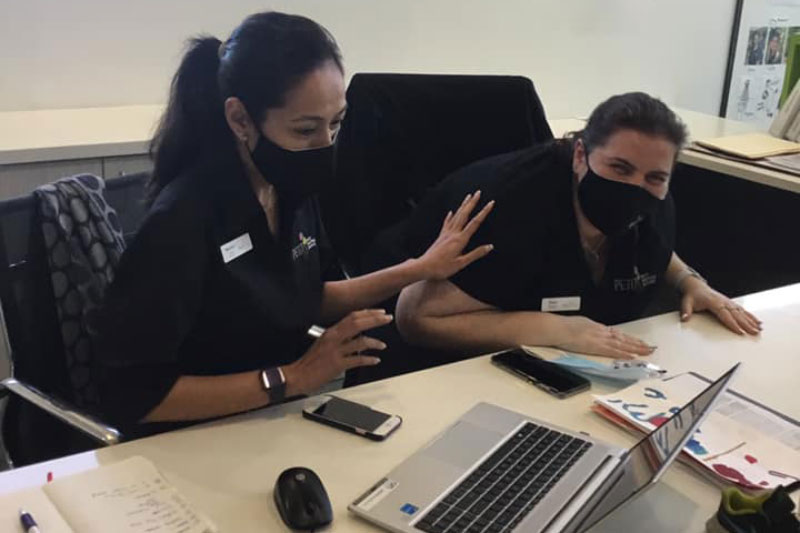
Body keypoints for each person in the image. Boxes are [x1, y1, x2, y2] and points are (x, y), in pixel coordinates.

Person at [92, 11, 493, 435]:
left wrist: (419, 268)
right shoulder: (183, 222)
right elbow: (131, 395)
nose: (325, 147)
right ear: (240, 120)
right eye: (305, 131)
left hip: (269, 418)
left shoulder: (288, 189)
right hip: (189, 441)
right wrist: (295, 376)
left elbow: (302, 297)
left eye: (335, 125)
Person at [395, 92, 762, 360]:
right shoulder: (511, 207)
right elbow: (415, 316)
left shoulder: (656, 201)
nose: (635, 187)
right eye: (620, 168)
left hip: (577, 367)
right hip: (448, 365)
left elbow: (647, 237)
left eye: (654, 177)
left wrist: (690, 281)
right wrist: (555, 329)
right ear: (580, 156)